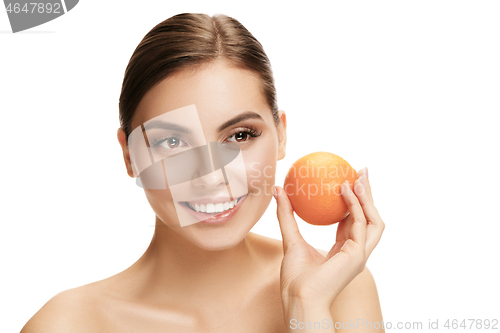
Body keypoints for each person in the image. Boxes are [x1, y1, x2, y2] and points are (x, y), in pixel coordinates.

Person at [21, 13, 385, 332]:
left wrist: (308, 310)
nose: (212, 177)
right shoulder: (67, 325)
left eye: (240, 136)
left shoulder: (339, 289)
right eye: (173, 143)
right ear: (128, 155)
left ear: (281, 135)